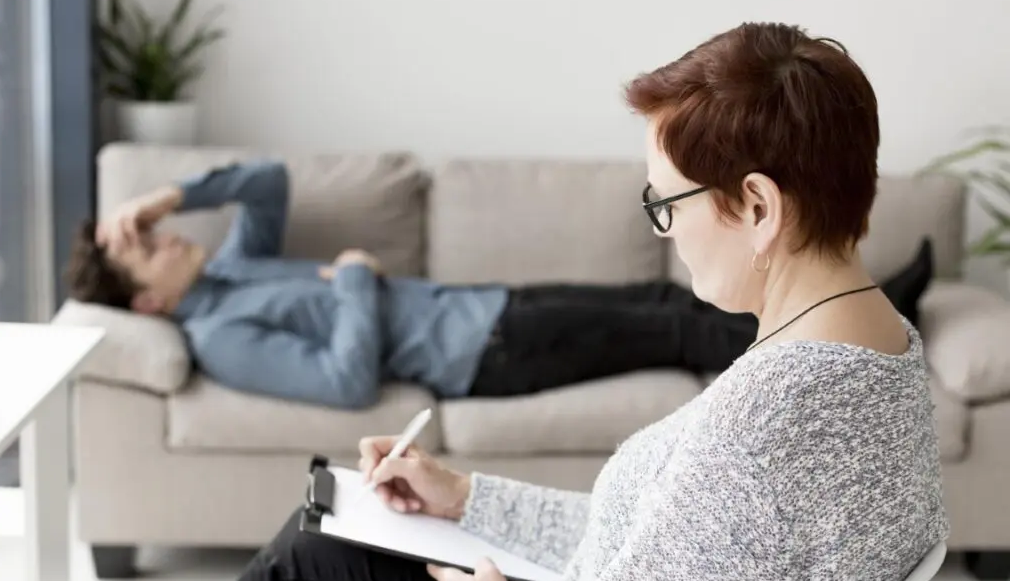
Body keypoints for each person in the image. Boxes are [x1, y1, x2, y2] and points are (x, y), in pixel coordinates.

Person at [195, 22, 948, 581]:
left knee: (298, 564)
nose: (668, 234)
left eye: (668, 205)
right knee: (315, 542)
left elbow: (687, 551)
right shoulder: (880, 353)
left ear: (757, 207)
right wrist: (465, 497)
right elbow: (655, 550)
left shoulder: (759, 430)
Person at [66, 152, 933, 408]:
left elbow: (267, 183)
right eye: (148, 246)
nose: (168, 236)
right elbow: (344, 379)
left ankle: (849, 313)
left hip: (490, 306)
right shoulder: (217, 336)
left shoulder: (233, 265)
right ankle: (843, 342)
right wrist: (357, 282)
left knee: (669, 301)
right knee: (674, 327)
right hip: (486, 355)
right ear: (146, 302)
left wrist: (164, 192)